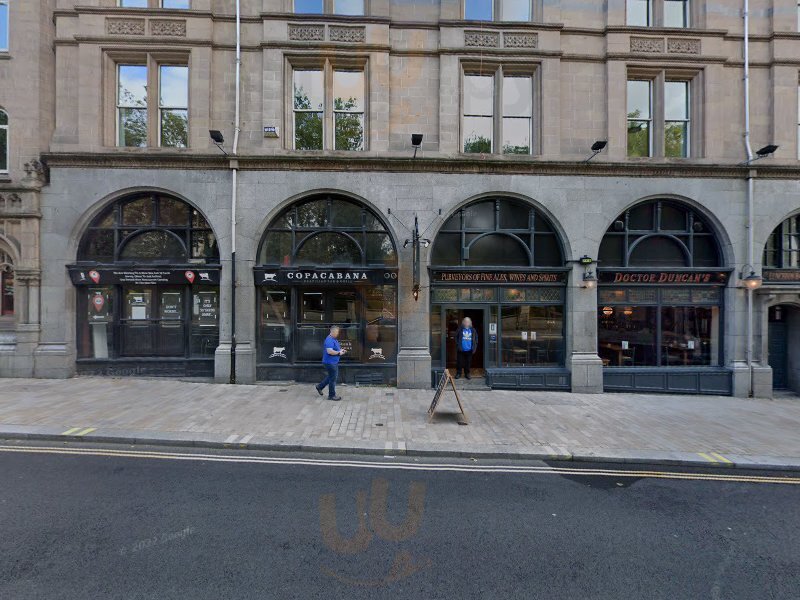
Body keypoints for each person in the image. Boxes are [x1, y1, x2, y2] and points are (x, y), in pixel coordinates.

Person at [316, 325, 345, 401]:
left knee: (331, 377)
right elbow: (330, 351)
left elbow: (335, 349)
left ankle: (319, 386)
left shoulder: (333, 339)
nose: (338, 333)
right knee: (333, 379)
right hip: (330, 363)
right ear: (333, 332)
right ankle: (331, 395)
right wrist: (339, 353)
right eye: (337, 332)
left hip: (333, 362)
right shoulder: (329, 340)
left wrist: (340, 350)